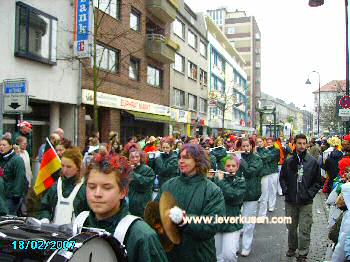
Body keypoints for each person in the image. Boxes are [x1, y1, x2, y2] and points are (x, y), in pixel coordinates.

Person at [73, 153, 168, 262]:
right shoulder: (78, 225)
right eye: (92, 187)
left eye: (107, 187)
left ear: (123, 192)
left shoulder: (142, 236)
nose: (97, 194)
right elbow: (57, 247)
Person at [156, 144, 225, 262]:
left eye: (186, 158)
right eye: (180, 157)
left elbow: (213, 224)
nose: (181, 161)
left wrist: (186, 221)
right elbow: (157, 211)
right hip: (171, 254)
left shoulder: (212, 190)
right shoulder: (169, 185)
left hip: (199, 255)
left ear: (198, 161)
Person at [280, 134, 323, 262]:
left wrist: (310, 194)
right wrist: (286, 191)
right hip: (291, 201)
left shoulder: (312, 162)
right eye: (299, 143)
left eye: (304, 143)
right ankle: (292, 248)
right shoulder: (288, 161)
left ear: (307, 144)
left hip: (306, 202)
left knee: (305, 228)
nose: (302, 146)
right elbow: (282, 178)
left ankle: (303, 253)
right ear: (295, 144)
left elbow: (318, 181)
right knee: (291, 228)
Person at [37, 148, 89, 225]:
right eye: (62, 165)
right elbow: (44, 207)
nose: (64, 170)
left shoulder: (85, 187)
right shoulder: (56, 185)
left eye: (69, 167)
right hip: (54, 231)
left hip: (75, 234)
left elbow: (90, 215)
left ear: (78, 167)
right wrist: (45, 218)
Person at [213, 155, 246, 262]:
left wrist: (221, 182)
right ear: (224, 167)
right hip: (217, 221)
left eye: (233, 166)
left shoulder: (240, 181)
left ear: (237, 167)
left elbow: (234, 197)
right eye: (228, 166)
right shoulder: (216, 180)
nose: (230, 168)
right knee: (217, 255)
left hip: (232, 221)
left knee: (229, 255)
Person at [239, 137, 263, 257]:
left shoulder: (257, 159)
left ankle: (246, 247)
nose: (245, 148)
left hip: (251, 193)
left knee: (249, 222)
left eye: (247, 146)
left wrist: (240, 161)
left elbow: (249, 172)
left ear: (252, 146)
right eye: (243, 146)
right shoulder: (237, 157)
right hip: (237, 193)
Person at [0, 137, 27, 215]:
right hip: (2, 196)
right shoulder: (1, 159)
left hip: (12, 196)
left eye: (4, 145)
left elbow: (20, 177)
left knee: (9, 217)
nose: (1, 147)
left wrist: (17, 195)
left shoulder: (17, 160)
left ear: (10, 146)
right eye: (0, 145)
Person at [128, 148, 155, 218]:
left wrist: (132, 173)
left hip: (143, 206)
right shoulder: (127, 170)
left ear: (140, 157)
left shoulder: (147, 170)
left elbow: (144, 184)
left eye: (137, 156)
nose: (135, 159)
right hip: (131, 205)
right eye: (132, 157)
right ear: (129, 159)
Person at [256, 137, 272, 217]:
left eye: (260, 141)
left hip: (264, 175)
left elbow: (265, 158)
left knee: (264, 197)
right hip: (256, 176)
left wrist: (255, 154)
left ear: (263, 142)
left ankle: (262, 215)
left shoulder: (266, 151)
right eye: (257, 142)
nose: (259, 143)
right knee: (255, 197)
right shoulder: (254, 151)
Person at [266, 137, 281, 211]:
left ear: (273, 142)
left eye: (270, 142)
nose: (268, 143)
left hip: (273, 171)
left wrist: (264, 152)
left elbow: (270, 158)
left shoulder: (276, 150)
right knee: (266, 189)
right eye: (267, 142)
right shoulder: (265, 149)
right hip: (266, 172)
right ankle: (267, 204)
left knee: (272, 189)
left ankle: (271, 205)